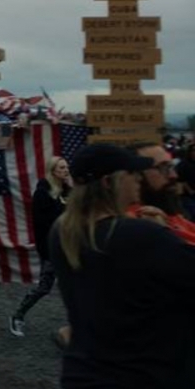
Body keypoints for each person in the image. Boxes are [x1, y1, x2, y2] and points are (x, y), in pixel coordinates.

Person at [51, 143, 195, 389]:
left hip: (84, 373)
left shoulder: (63, 232)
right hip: (144, 375)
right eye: (131, 173)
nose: (138, 178)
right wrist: (167, 232)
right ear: (109, 183)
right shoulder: (141, 236)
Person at [9, 156, 71, 338]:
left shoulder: (68, 191)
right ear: (53, 171)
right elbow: (41, 223)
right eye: (62, 168)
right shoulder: (43, 193)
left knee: (73, 285)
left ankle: (78, 324)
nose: (66, 170)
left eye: (67, 167)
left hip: (70, 247)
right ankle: (17, 315)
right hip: (52, 248)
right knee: (44, 287)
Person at [126, 142, 195, 245]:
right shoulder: (136, 222)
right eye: (163, 168)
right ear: (136, 175)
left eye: (171, 167)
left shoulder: (169, 213)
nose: (174, 175)